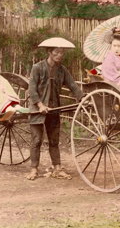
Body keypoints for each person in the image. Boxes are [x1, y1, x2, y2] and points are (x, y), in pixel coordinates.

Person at [26, 38, 83, 181]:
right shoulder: (37, 67)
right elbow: (32, 89)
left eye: (62, 53)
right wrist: (40, 105)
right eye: (57, 52)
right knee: (37, 140)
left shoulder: (62, 70)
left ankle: (57, 168)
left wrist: (82, 98)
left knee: (54, 140)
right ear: (49, 52)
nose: (60, 55)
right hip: (37, 110)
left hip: (54, 109)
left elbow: (73, 85)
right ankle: (34, 169)